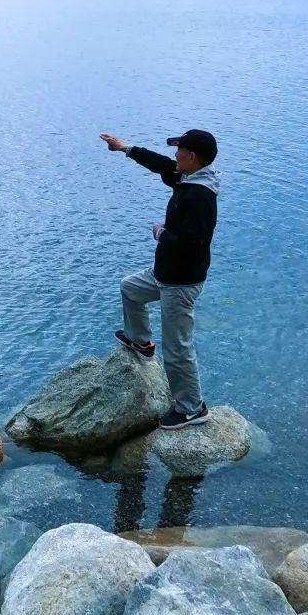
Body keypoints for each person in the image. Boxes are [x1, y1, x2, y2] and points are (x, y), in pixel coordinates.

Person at [99, 129, 220, 431]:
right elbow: (162, 165)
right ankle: (140, 341)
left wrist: (162, 233)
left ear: (191, 156)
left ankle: (192, 408)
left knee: (177, 347)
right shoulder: (187, 177)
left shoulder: (200, 196)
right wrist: (125, 148)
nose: (175, 155)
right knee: (130, 288)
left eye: (179, 150)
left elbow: (194, 243)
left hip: (181, 282)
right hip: (164, 272)